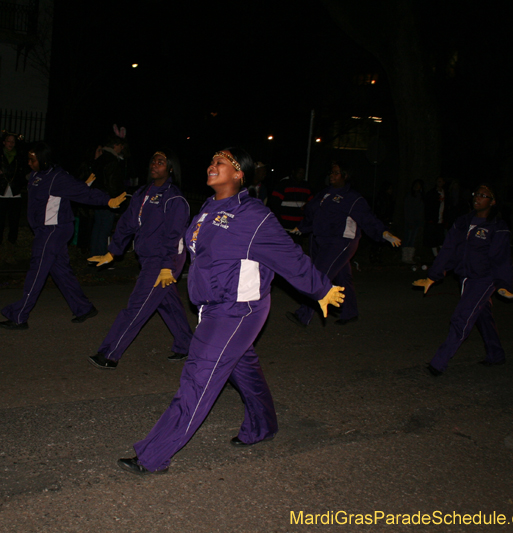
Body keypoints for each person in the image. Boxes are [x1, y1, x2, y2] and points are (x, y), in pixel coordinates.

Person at [117, 148, 344, 475]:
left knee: (197, 378)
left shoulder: (253, 215)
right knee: (243, 367)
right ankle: (263, 425)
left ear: (239, 174)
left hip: (238, 310)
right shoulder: (209, 208)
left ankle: (152, 456)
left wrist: (320, 289)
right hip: (213, 307)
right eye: (211, 161)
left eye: (220, 162)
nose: (212, 166)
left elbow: (288, 255)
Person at [0, 142, 127, 330]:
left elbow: (83, 193)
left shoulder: (56, 177)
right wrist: (81, 184)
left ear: (43, 159)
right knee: (60, 271)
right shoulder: (36, 175)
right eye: (28, 159)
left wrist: (108, 201)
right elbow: (67, 191)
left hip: (53, 230)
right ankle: (84, 308)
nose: (29, 163)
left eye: (33, 160)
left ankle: (19, 315)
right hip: (46, 229)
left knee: (37, 271)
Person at [87, 149, 193, 368]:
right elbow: (127, 223)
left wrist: (167, 266)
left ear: (170, 168)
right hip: (148, 257)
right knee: (167, 303)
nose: (154, 164)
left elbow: (174, 236)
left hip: (164, 261)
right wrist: (113, 251)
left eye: (161, 162)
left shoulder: (174, 198)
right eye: (153, 161)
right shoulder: (143, 193)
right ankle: (187, 345)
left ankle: (109, 354)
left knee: (136, 306)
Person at [413, 184, 513, 376]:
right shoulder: (463, 222)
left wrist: (503, 285)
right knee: (482, 315)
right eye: (476, 194)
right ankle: (496, 354)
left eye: (483, 195)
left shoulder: (497, 226)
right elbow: (448, 249)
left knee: (461, 317)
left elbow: (501, 258)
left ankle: (439, 362)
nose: (477, 198)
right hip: (465, 277)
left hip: (484, 279)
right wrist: (433, 276)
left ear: (493, 202)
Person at [286, 164, 401, 327]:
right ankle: (350, 311)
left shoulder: (352, 198)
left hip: (341, 243)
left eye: (336, 173)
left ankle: (304, 314)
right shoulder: (325, 193)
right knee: (343, 277)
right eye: (331, 172)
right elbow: (314, 214)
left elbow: (368, 219)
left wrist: (384, 233)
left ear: (345, 176)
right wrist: (302, 227)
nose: (332, 175)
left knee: (318, 276)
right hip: (324, 241)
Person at [89, 126, 128, 256]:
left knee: (97, 226)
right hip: (108, 198)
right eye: (120, 146)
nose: (122, 148)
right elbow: (113, 183)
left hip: (97, 197)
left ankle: (94, 253)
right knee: (104, 228)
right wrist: (117, 198)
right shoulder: (112, 161)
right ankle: (100, 255)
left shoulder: (101, 158)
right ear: (115, 145)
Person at [0, 132, 27, 265]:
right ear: (4, 142)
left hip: (15, 194)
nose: (11, 144)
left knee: (14, 225)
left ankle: (10, 254)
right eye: (8, 141)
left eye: (13, 141)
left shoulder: (19, 156)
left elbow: (23, 172)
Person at [402, 179, 425, 264]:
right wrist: (410, 220)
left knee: (413, 239)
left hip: (417, 221)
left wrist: (420, 221)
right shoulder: (410, 195)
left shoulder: (421, 196)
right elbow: (407, 209)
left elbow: (421, 210)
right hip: (410, 220)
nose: (417, 186)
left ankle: (410, 257)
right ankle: (405, 256)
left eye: (418, 185)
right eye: (416, 185)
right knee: (408, 238)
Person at [424, 176, 447, 257]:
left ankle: (442, 255)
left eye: (441, 181)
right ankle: (436, 255)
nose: (439, 183)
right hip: (433, 219)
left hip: (441, 219)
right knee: (433, 238)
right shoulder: (432, 193)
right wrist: (429, 218)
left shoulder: (446, 193)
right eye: (438, 181)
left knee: (441, 238)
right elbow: (429, 206)